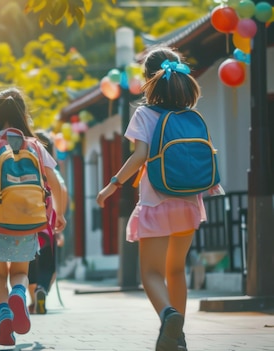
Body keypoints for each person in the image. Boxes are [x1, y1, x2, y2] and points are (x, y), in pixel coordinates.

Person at [96, 47, 220, 351]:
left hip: (157, 202)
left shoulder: (145, 114)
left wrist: (112, 184)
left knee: (150, 273)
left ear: (148, 80)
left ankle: (168, 317)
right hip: (189, 203)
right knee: (176, 270)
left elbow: (139, 156)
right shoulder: (191, 116)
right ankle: (178, 337)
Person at [0, 88, 67, 346]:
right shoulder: (35, 145)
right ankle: (20, 295)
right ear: (23, 114)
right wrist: (58, 214)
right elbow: (54, 183)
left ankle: (3, 315)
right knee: (20, 272)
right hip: (27, 220)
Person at [27, 130, 68, 315]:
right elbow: (63, 191)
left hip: (26, 224)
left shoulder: (26, 166)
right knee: (48, 266)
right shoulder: (53, 172)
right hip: (48, 225)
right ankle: (42, 290)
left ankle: (33, 301)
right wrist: (60, 215)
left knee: (28, 266)